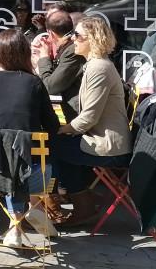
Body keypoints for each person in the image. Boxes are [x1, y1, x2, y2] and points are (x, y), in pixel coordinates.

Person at [0, 29, 59, 234]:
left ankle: (16, 222)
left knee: (6, 155)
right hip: (34, 176)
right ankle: (26, 213)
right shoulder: (34, 83)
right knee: (26, 155)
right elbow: (52, 126)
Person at [48, 15, 132, 228]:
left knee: (51, 146)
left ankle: (76, 203)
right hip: (101, 138)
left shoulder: (98, 68)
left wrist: (61, 128)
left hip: (108, 146)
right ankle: (80, 198)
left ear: (92, 39)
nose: (72, 39)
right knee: (58, 145)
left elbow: (89, 117)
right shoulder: (96, 65)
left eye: (77, 35)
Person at [36, 9, 84, 101]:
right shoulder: (68, 47)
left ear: (51, 33)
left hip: (77, 111)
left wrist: (44, 57)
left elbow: (50, 87)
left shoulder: (72, 51)